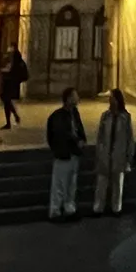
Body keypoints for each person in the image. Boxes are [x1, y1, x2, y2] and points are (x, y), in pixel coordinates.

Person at [46, 86, 87, 219]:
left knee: (71, 184)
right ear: (69, 98)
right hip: (64, 153)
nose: (77, 98)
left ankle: (69, 208)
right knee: (59, 184)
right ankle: (56, 210)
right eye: (75, 95)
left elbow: (79, 128)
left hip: (73, 153)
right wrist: (75, 141)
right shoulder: (58, 116)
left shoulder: (74, 113)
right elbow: (60, 134)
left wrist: (82, 139)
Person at [93, 88, 134, 215]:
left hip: (119, 154)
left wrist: (128, 157)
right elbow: (100, 135)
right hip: (105, 153)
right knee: (101, 183)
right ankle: (98, 207)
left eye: (113, 98)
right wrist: (99, 151)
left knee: (117, 183)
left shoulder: (125, 117)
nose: (111, 101)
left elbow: (129, 138)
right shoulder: (105, 116)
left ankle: (116, 208)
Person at [0, 40, 29, 131]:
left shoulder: (15, 58)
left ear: (13, 48)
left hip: (11, 83)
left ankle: (9, 122)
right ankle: (14, 117)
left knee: (7, 101)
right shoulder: (12, 57)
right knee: (7, 101)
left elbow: (12, 70)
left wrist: (4, 71)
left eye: (10, 47)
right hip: (10, 83)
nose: (9, 49)